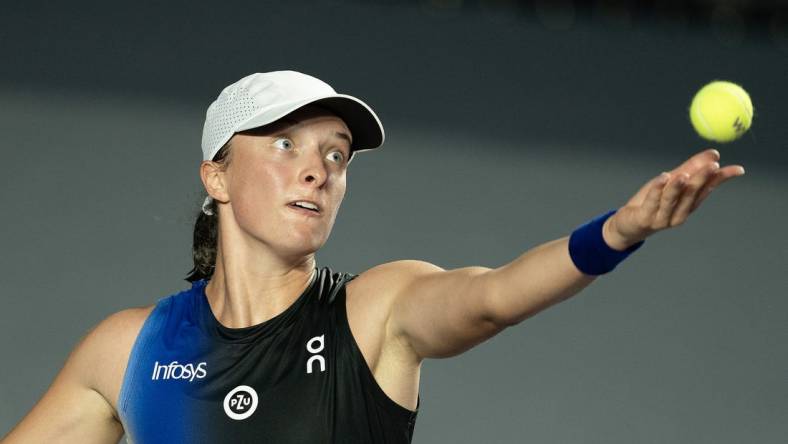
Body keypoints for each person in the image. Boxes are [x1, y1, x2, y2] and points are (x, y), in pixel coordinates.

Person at [1, 71, 745, 443]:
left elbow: (491, 297)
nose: (319, 168)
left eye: (336, 153)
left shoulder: (377, 312)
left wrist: (616, 233)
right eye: (286, 144)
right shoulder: (129, 350)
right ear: (217, 176)